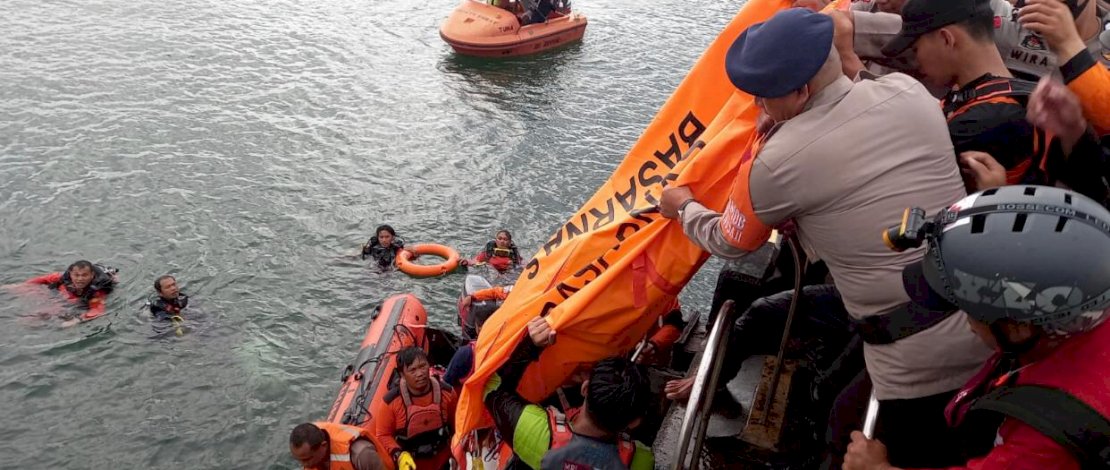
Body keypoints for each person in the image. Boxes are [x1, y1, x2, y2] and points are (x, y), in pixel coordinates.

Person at [658, 8, 992, 467]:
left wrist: (683, 207)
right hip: (982, 313)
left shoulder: (778, 163)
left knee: (848, 436)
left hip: (916, 355)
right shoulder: (907, 92)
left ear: (799, 92)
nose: (758, 108)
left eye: (763, 98)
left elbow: (731, 241)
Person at [844, 185, 1110, 470]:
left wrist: (877, 468)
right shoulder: (1086, 310)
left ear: (1019, 328)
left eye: (966, 308)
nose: (965, 320)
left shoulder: (1046, 434)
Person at [880, 0, 1108, 201]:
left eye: (916, 49)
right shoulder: (1023, 94)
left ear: (946, 39)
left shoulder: (978, 122)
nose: (915, 60)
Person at [484, 317, 654, 469]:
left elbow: (493, 387)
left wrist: (530, 345)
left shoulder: (536, 434)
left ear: (585, 388)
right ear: (634, 422)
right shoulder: (642, 460)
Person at [372, 347, 457, 470]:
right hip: (409, 465)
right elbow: (383, 435)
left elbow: (457, 426)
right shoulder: (391, 402)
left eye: (423, 366)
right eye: (412, 370)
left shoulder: (447, 393)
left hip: (441, 462)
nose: (420, 373)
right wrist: (399, 455)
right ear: (402, 374)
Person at [25, 260, 118, 326]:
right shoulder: (63, 278)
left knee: (66, 310)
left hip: (82, 301)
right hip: (67, 298)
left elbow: (97, 311)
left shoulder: (97, 291)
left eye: (84, 275)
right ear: (70, 274)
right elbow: (42, 279)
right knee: (48, 310)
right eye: (76, 275)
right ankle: (35, 317)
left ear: (92, 275)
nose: (80, 279)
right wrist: (22, 286)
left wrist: (76, 320)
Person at [289, 421, 384, 470]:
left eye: (307, 459)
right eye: (299, 460)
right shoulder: (312, 458)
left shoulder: (361, 454)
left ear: (323, 445)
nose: (304, 465)